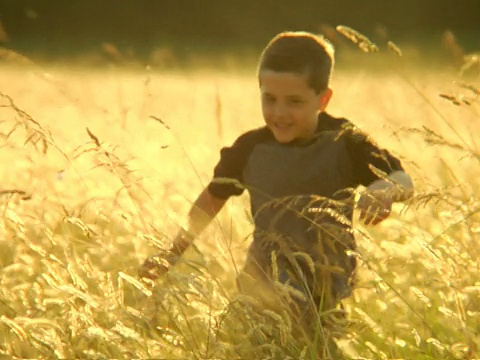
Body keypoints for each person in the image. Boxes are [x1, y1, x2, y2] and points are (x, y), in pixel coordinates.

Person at [139, 31, 414, 356]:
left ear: (323, 99)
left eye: (294, 101)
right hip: (264, 282)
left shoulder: (344, 141)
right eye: (269, 99)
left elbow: (403, 179)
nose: (279, 113)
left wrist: (384, 190)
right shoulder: (251, 148)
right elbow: (211, 200)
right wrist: (173, 252)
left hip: (326, 285)